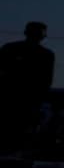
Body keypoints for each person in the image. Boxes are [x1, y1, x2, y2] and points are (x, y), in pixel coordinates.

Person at [0, 21, 55, 151]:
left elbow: (46, 81)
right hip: (11, 101)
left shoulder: (46, 55)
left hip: (26, 104)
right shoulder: (10, 49)